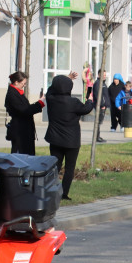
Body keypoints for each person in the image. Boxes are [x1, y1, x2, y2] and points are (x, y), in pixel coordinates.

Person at [45, 73, 94, 201]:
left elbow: (50, 90)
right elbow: (86, 109)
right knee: (69, 168)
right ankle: (64, 193)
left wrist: (66, 78)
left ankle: (51, 191)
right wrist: (90, 100)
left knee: (55, 166)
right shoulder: (74, 102)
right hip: (71, 141)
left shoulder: (51, 99)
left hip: (55, 139)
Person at [4, 71, 44, 155]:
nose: (24, 85)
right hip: (20, 132)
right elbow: (25, 110)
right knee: (21, 157)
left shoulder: (16, 93)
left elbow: (26, 109)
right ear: (16, 82)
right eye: (23, 83)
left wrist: (39, 103)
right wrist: (39, 103)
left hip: (24, 131)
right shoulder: (12, 94)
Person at [87, 69, 109, 142]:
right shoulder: (97, 83)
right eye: (103, 75)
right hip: (99, 106)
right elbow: (97, 95)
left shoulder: (103, 83)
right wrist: (102, 104)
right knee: (98, 122)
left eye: (105, 75)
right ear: (99, 75)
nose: (104, 76)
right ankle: (96, 137)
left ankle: (98, 136)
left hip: (103, 106)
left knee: (99, 122)